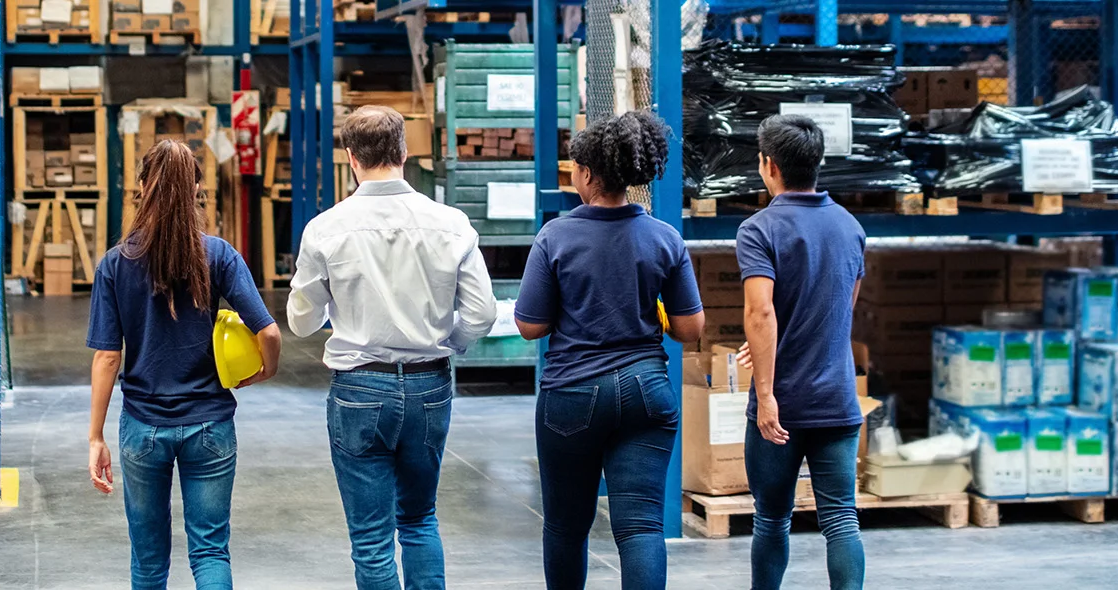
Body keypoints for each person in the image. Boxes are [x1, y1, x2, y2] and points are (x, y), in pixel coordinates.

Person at [288, 105, 497, 590]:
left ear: (350, 158)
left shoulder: (325, 229)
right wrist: (449, 342)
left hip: (359, 390)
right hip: (429, 385)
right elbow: (482, 313)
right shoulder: (451, 223)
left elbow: (301, 321)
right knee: (420, 519)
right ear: (404, 152)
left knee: (371, 538)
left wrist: (337, 304)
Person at [514, 111, 705, 590]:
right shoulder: (665, 238)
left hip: (572, 394)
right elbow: (691, 329)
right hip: (647, 393)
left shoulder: (555, 236)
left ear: (587, 174)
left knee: (566, 526)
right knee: (641, 527)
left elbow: (530, 326)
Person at [85, 139, 283, 590]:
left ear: (141, 186)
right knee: (210, 551)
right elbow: (269, 333)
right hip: (210, 425)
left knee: (149, 559)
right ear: (196, 188)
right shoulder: (219, 255)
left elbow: (108, 357)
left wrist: (96, 437)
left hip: (143, 427)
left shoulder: (115, 264)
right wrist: (266, 370)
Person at [735, 115, 867, 590]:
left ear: (769, 165)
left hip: (783, 405)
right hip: (837, 401)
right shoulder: (850, 226)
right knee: (842, 519)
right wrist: (775, 340)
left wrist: (766, 393)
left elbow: (761, 313)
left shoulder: (759, 229)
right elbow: (839, 311)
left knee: (772, 519)